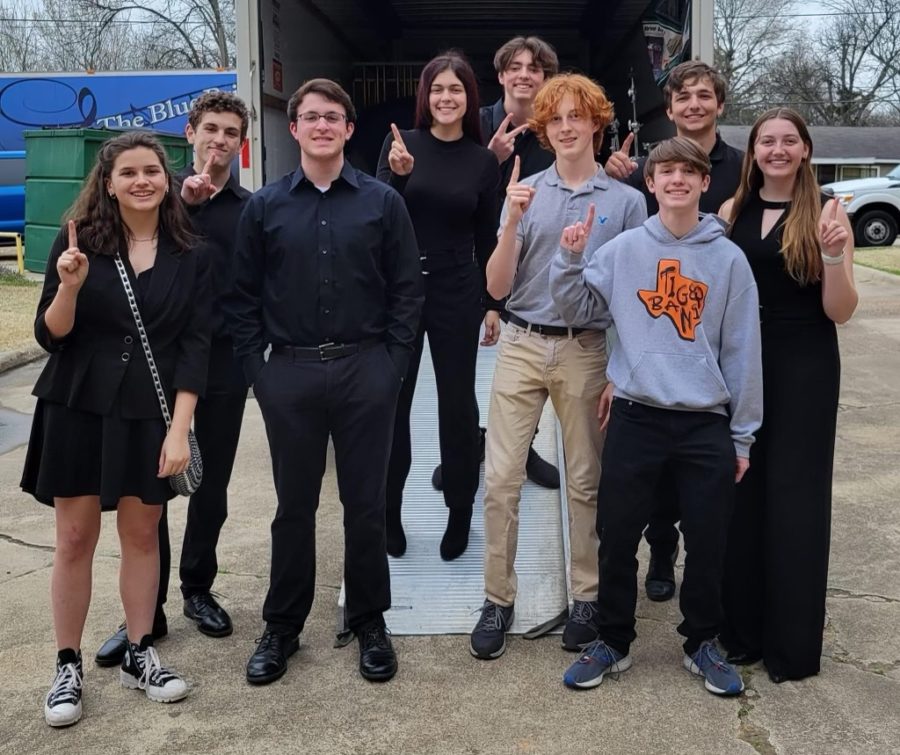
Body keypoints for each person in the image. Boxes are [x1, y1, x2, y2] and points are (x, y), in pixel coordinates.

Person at [551, 136, 762, 696]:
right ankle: (613, 641)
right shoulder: (622, 251)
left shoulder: (728, 259)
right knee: (617, 535)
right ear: (650, 184)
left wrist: (741, 437)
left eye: (687, 173)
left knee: (709, 538)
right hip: (637, 415)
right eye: (664, 172)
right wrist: (569, 257)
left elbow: (742, 351)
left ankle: (701, 643)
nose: (675, 181)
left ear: (701, 183)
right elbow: (576, 309)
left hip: (704, 422)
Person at [228, 78, 423, 685]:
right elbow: (240, 298)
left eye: (332, 117)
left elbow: (407, 290)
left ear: (347, 128)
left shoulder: (382, 202)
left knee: (364, 506)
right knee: (293, 508)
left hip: (367, 370)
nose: (321, 126)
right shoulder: (265, 206)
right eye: (310, 117)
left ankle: (369, 622)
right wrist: (259, 373)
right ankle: (283, 626)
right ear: (294, 129)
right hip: (289, 373)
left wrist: (392, 364)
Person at [21, 131, 210, 726]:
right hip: (77, 405)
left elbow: (194, 347)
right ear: (108, 183)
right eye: (128, 172)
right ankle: (67, 665)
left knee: (143, 534)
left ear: (167, 178)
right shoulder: (78, 245)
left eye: (152, 170)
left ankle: (139, 652)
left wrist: (179, 430)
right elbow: (51, 335)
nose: (142, 181)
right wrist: (69, 287)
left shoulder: (192, 253)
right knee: (74, 539)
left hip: (147, 414)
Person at [469, 73, 647, 661]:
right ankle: (498, 597)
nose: (567, 127)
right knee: (499, 480)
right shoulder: (525, 190)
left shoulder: (626, 202)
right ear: (544, 131)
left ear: (597, 122)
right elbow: (496, 287)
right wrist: (514, 220)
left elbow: (629, 296)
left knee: (586, 482)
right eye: (556, 120)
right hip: (521, 340)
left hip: (587, 348)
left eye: (578, 116)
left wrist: (622, 368)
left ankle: (586, 597)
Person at [95, 92, 252, 664]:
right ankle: (148, 611)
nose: (219, 141)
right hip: (156, 368)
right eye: (210, 129)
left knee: (210, 486)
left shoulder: (249, 208)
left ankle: (197, 588)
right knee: (149, 490)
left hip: (226, 363)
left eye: (231, 133)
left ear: (242, 143)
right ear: (190, 132)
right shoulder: (159, 195)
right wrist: (181, 204)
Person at [718, 108, 858, 683]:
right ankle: (742, 631)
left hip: (804, 364)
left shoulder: (828, 214)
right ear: (753, 152)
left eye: (788, 141)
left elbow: (840, 311)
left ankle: (791, 644)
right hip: (742, 362)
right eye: (766, 141)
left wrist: (831, 254)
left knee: (795, 498)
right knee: (742, 492)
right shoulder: (731, 210)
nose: (777, 150)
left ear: (805, 150)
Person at [605, 60, 744, 603]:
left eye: (703, 96)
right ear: (669, 110)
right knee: (653, 474)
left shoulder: (743, 168)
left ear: (719, 105)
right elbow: (615, 274)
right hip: (658, 332)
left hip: (719, 327)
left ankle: (708, 576)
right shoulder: (645, 167)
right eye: (682, 97)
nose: (693, 105)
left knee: (708, 474)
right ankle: (660, 551)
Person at [376, 53, 500, 560]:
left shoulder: (482, 161)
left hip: (457, 288)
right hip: (401, 290)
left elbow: (488, 238)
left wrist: (494, 304)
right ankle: (388, 512)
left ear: (470, 98)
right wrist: (400, 176)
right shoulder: (400, 144)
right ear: (424, 96)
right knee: (393, 405)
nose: (445, 97)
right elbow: (374, 217)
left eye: (456, 89)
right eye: (436, 89)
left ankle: (459, 512)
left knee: (457, 404)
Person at [431, 35, 561, 493]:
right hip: (470, 263)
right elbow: (446, 179)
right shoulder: (474, 124)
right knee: (463, 372)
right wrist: (491, 159)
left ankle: (523, 452)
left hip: (532, 268)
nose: (525, 74)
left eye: (535, 67)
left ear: (545, 78)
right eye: (516, 67)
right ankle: (464, 450)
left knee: (523, 373)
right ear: (501, 75)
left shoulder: (555, 129)